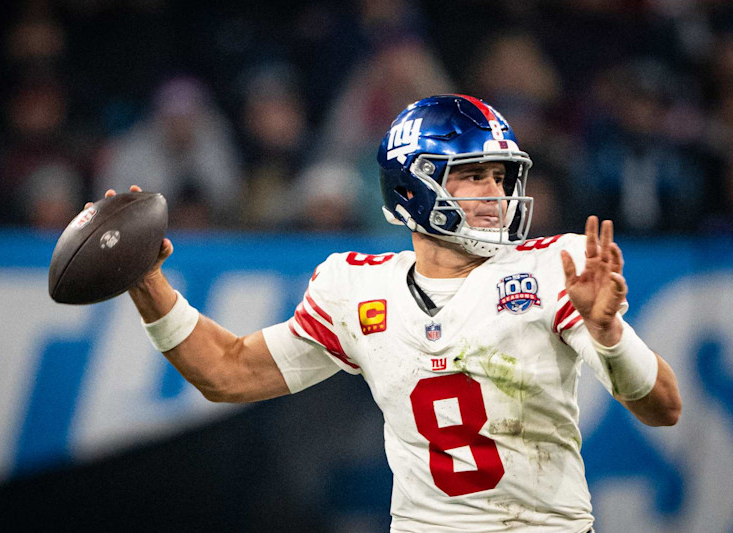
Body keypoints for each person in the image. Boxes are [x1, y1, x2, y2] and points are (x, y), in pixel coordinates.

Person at [89, 94, 682, 532]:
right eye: (472, 175)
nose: (496, 195)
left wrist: (608, 336)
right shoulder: (354, 287)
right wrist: (147, 282)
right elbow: (228, 372)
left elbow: (664, 408)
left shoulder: (557, 267)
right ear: (412, 188)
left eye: (501, 177)